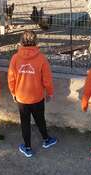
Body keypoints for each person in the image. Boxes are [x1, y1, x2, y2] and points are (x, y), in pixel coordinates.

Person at [8, 30, 57, 158]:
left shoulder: (15, 58)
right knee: (40, 120)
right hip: (37, 97)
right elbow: (47, 79)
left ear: (21, 42)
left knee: (25, 123)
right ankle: (46, 140)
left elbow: (11, 78)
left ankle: (28, 148)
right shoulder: (41, 58)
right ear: (36, 42)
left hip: (21, 98)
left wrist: (13, 92)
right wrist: (50, 93)